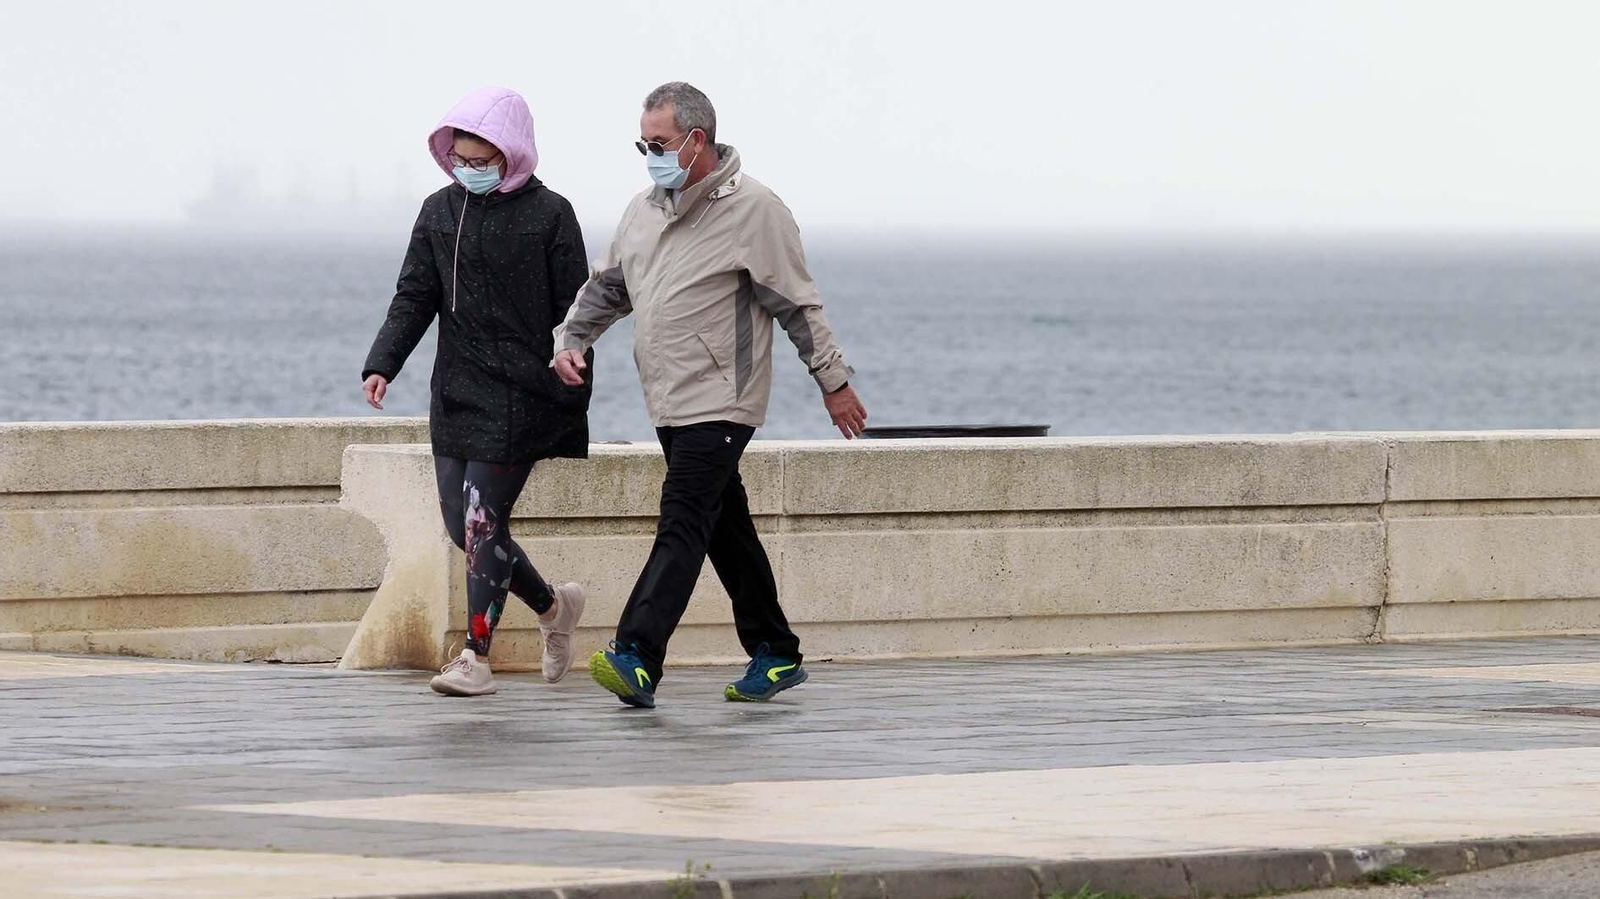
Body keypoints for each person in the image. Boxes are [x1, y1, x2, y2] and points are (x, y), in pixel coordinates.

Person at [552, 82, 868, 709]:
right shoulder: (643, 209)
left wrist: (833, 382)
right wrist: (572, 338)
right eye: (643, 143)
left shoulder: (755, 210)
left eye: (659, 142)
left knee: (684, 520)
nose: (649, 153)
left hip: (724, 396)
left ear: (697, 139)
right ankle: (775, 652)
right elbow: (609, 287)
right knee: (726, 526)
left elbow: (798, 306)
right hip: (667, 396)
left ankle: (637, 654)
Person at [362, 87, 591, 697]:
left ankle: (475, 657)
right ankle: (552, 609)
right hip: (457, 390)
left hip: (526, 390)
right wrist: (383, 362)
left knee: (483, 520)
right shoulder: (439, 212)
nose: (469, 170)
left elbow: (581, 305)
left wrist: (573, 354)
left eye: (481, 161)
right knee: (462, 527)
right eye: (460, 158)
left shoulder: (552, 215)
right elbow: (414, 294)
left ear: (511, 156)